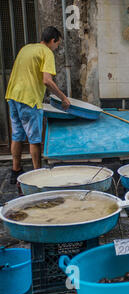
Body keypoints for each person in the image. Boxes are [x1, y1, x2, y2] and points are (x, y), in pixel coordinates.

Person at [5, 26, 71, 184]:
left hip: (13, 95)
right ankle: (37, 176)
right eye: (57, 44)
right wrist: (63, 98)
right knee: (34, 140)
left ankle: (16, 170)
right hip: (29, 99)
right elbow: (47, 80)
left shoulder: (26, 48)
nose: (57, 47)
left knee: (17, 135)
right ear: (53, 40)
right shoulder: (46, 52)